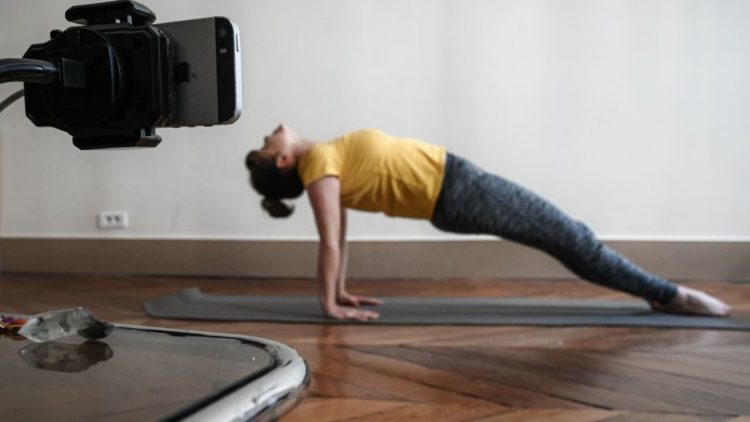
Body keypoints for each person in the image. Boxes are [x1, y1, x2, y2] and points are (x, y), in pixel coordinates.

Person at [245, 123, 732, 321]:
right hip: (456, 193)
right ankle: (669, 294)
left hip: (456, 184)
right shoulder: (317, 168)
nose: (272, 131)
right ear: (284, 162)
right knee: (572, 237)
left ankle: (659, 292)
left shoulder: (322, 161)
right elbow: (330, 241)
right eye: (270, 143)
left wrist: (340, 292)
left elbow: (340, 237)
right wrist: (329, 306)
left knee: (568, 238)